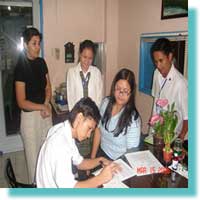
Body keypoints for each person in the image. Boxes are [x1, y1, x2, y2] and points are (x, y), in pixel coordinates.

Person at [36, 97, 119, 188]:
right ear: (79, 117)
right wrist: (100, 178)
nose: (88, 135)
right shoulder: (60, 145)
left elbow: (80, 163)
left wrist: (101, 160)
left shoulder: (63, 129)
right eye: (89, 128)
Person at [14, 27, 52, 184]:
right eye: (34, 43)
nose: (38, 47)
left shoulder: (42, 63)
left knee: (47, 153)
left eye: (39, 43)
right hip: (29, 117)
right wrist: (41, 107)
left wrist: (45, 103)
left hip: (44, 112)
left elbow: (48, 87)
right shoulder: (20, 67)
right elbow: (21, 101)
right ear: (25, 45)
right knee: (34, 160)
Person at [66, 40, 103, 178]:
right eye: (84, 57)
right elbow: (71, 99)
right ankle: (76, 174)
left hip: (92, 119)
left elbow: (98, 98)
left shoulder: (97, 73)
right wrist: (76, 121)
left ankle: (89, 170)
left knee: (91, 149)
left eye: (90, 58)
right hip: (78, 120)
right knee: (77, 151)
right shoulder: (71, 72)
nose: (87, 61)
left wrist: (93, 122)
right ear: (79, 55)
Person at [91, 68, 141, 161]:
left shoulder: (133, 119)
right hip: (101, 155)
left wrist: (113, 166)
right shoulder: (105, 103)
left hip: (120, 162)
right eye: (118, 89)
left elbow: (132, 153)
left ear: (131, 93)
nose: (121, 94)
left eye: (125, 91)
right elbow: (98, 130)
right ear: (114, 87)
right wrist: (93, 158)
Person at [150, 38, 188, 140]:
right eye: (156, 61)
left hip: (172, 136)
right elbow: (156, 102)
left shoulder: (181, 83)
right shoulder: (156, 74)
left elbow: (187, 118)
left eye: (161, 60)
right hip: (156, 131)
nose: (158, 65)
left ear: (170, 57)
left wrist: (180, 140)